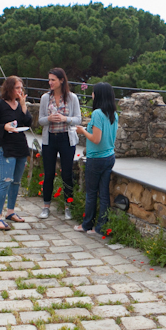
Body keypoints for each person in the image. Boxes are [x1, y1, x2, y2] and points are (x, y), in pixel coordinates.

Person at [37, 68, 82, 221]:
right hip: (50, 139)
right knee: (48, 172)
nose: (50, 83)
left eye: (53, 80)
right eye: (49, 80)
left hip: (66, 139)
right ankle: (46, 205)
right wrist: (49, 118)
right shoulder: (45, 98)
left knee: (67, 173)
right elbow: (40, 120)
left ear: (61, 80)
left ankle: (68, 206)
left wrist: (65, 119)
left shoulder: (72, 98)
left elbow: (78, 119)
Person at [0, 76, 32, 230]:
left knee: (16, 181)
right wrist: (4, 127)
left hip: (21, 146)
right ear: (10, 89)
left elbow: (27, 122)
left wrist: (23, 104)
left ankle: (10, 212)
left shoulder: (19, 105)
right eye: (17, 88)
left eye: (21, 88)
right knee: (5, 181)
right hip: (7, 147)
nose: (20, 91)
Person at [74, 82, 117, 236]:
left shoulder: (97, 114)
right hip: (109, 156)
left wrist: (82, 131)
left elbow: (96, 139)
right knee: (104, 194)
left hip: (96, 159)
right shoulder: (113, 114)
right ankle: (101, 227)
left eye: (93, 92)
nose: (91, 95)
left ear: (98, 95)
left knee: (91, 193)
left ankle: (86, 225)